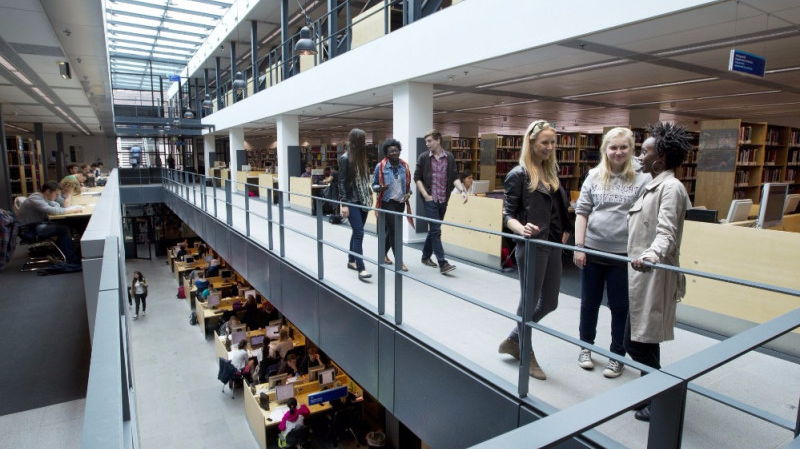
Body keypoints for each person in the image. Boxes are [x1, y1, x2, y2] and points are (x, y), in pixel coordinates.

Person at [497, 120, 573, 381]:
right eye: (545, 143)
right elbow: (507, 214)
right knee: (528, 301)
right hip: (531, 245)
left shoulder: (552, 172)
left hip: (552, 245)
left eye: (553, 143)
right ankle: (525, 354)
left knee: (550, 301)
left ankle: (514, 339)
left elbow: (558, 209)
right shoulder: (518, 174)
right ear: (531, 143)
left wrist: (565, 229)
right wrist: (521, 228)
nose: (550, 147)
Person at [626, 123, 692, 422]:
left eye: (645, 151)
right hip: (639, 274)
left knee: (640, 340)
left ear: (661, 158)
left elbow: (666, 232)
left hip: (652, 273)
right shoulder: (652, 184)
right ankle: (648, 393)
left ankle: (661, 394)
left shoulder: (671, 188)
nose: (640, 156)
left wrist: (651, 255)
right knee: (642, 337)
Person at [573, 127, 650, 378]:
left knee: (620, 307)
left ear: (631, 149)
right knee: (589, 304)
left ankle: (617, 355)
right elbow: (582, 212)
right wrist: (579, 246)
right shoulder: (594, 175)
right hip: (593, 250)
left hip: (623, 254)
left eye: (623, 147)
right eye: (613, 147)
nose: (618, 152)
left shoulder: (643, 178)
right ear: (605, 149)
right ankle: (585, 348)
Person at [414, 129, 468, 274]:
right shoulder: (424, 157)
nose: (427, 144)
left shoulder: (449, 157)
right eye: (426, 141)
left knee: (434, 229)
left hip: (444, 199)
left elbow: (455, 177)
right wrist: (425, 195)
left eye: (429, 141)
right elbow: (417, 178)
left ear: (438, 140)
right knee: (437, 230)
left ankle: (425, 257)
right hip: (430, 199)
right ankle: (443, 263)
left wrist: (462, 191)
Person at [15, 181, 83, 264]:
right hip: (29, 230)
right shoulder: (35, 198)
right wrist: (71, 210)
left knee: (67, 223)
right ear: (48, 191)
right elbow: (52, 210)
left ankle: (62, 253)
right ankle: (71, 259)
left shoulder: (43, 198)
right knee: (63, 229)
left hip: (36, 224)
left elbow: (56, 205)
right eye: (56, 194)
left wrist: (56, 205)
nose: (57, 196)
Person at [338, 128, 373, 280]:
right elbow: (342, 182)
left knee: (356, 231)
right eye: (361, 140)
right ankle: (361, 268)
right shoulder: (345, 158)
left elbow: (365, 178)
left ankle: (351, 260)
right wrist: (344, 203)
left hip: (364, 199)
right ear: (354, 141)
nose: (363, 143)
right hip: (352, 200)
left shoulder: (362, 157)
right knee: (359, 233)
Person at [372, 138, 411, 272]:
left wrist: (408, 193)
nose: (394, 153)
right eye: (391, 151)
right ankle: (399, 262)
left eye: (396, 150)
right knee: (395, 231)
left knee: (390, 230)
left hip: (400, 202)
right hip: (387, 202)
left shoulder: (404, 166)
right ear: (387, 154)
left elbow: (407, 185)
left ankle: (382, 254)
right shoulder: (381, 166)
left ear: (399, 151)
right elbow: (374, 186)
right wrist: (379, 188)